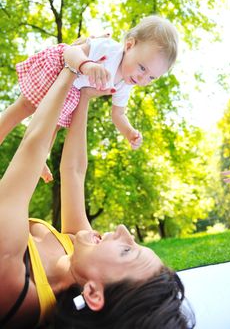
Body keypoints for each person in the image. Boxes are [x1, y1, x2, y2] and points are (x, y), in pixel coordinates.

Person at [0, 68, 194, 328]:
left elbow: (31, 148)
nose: (124, 230)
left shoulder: (19, 292)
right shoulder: (76, 252)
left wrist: (69, 70)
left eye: (127, 251)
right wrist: (83, 97)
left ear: (92, 293)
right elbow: (74, 172)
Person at [0, 15, 178, 183]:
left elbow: (118, 113)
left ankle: (39, 158)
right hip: (60, 69)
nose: (142, 78)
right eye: (142, 68)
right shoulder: (108, 48)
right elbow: (71, 51)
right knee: (25, 106)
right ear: (129, 45)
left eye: (152, 78)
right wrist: (86, 64)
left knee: (53, 126)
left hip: (71, 89)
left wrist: (129, 132)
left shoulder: (126, 83)